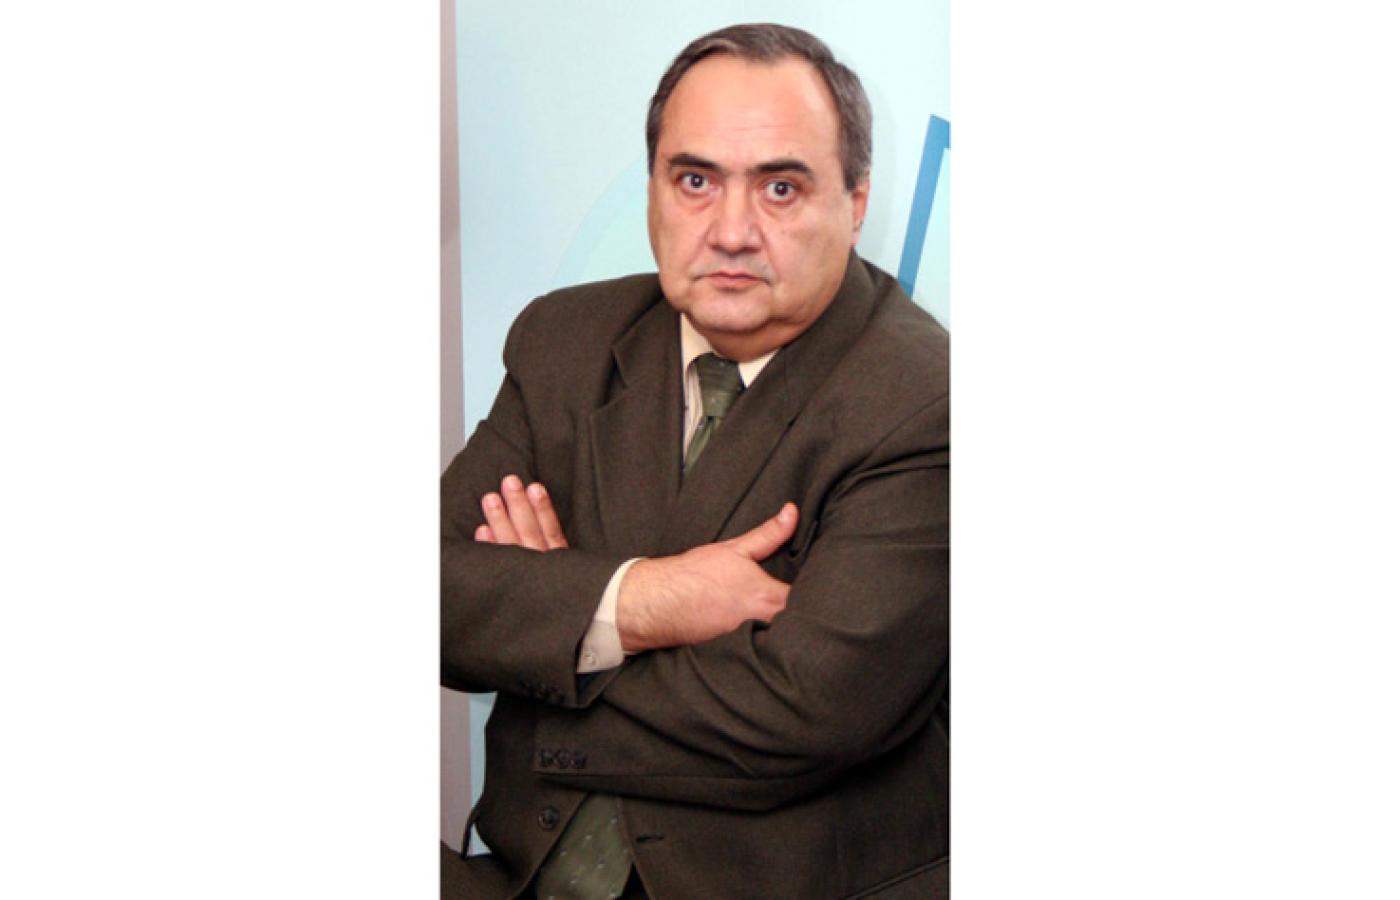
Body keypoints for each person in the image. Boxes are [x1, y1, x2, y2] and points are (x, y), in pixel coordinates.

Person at [442, 23, 948, 900]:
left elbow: (804, 713)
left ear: (856, 201)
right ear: (653, 191)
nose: (732, 231)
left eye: (781, 187)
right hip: (515, 877)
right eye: (695, 181)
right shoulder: (564, 339)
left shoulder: (924, 397)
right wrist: (643, 602)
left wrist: (549, 626)